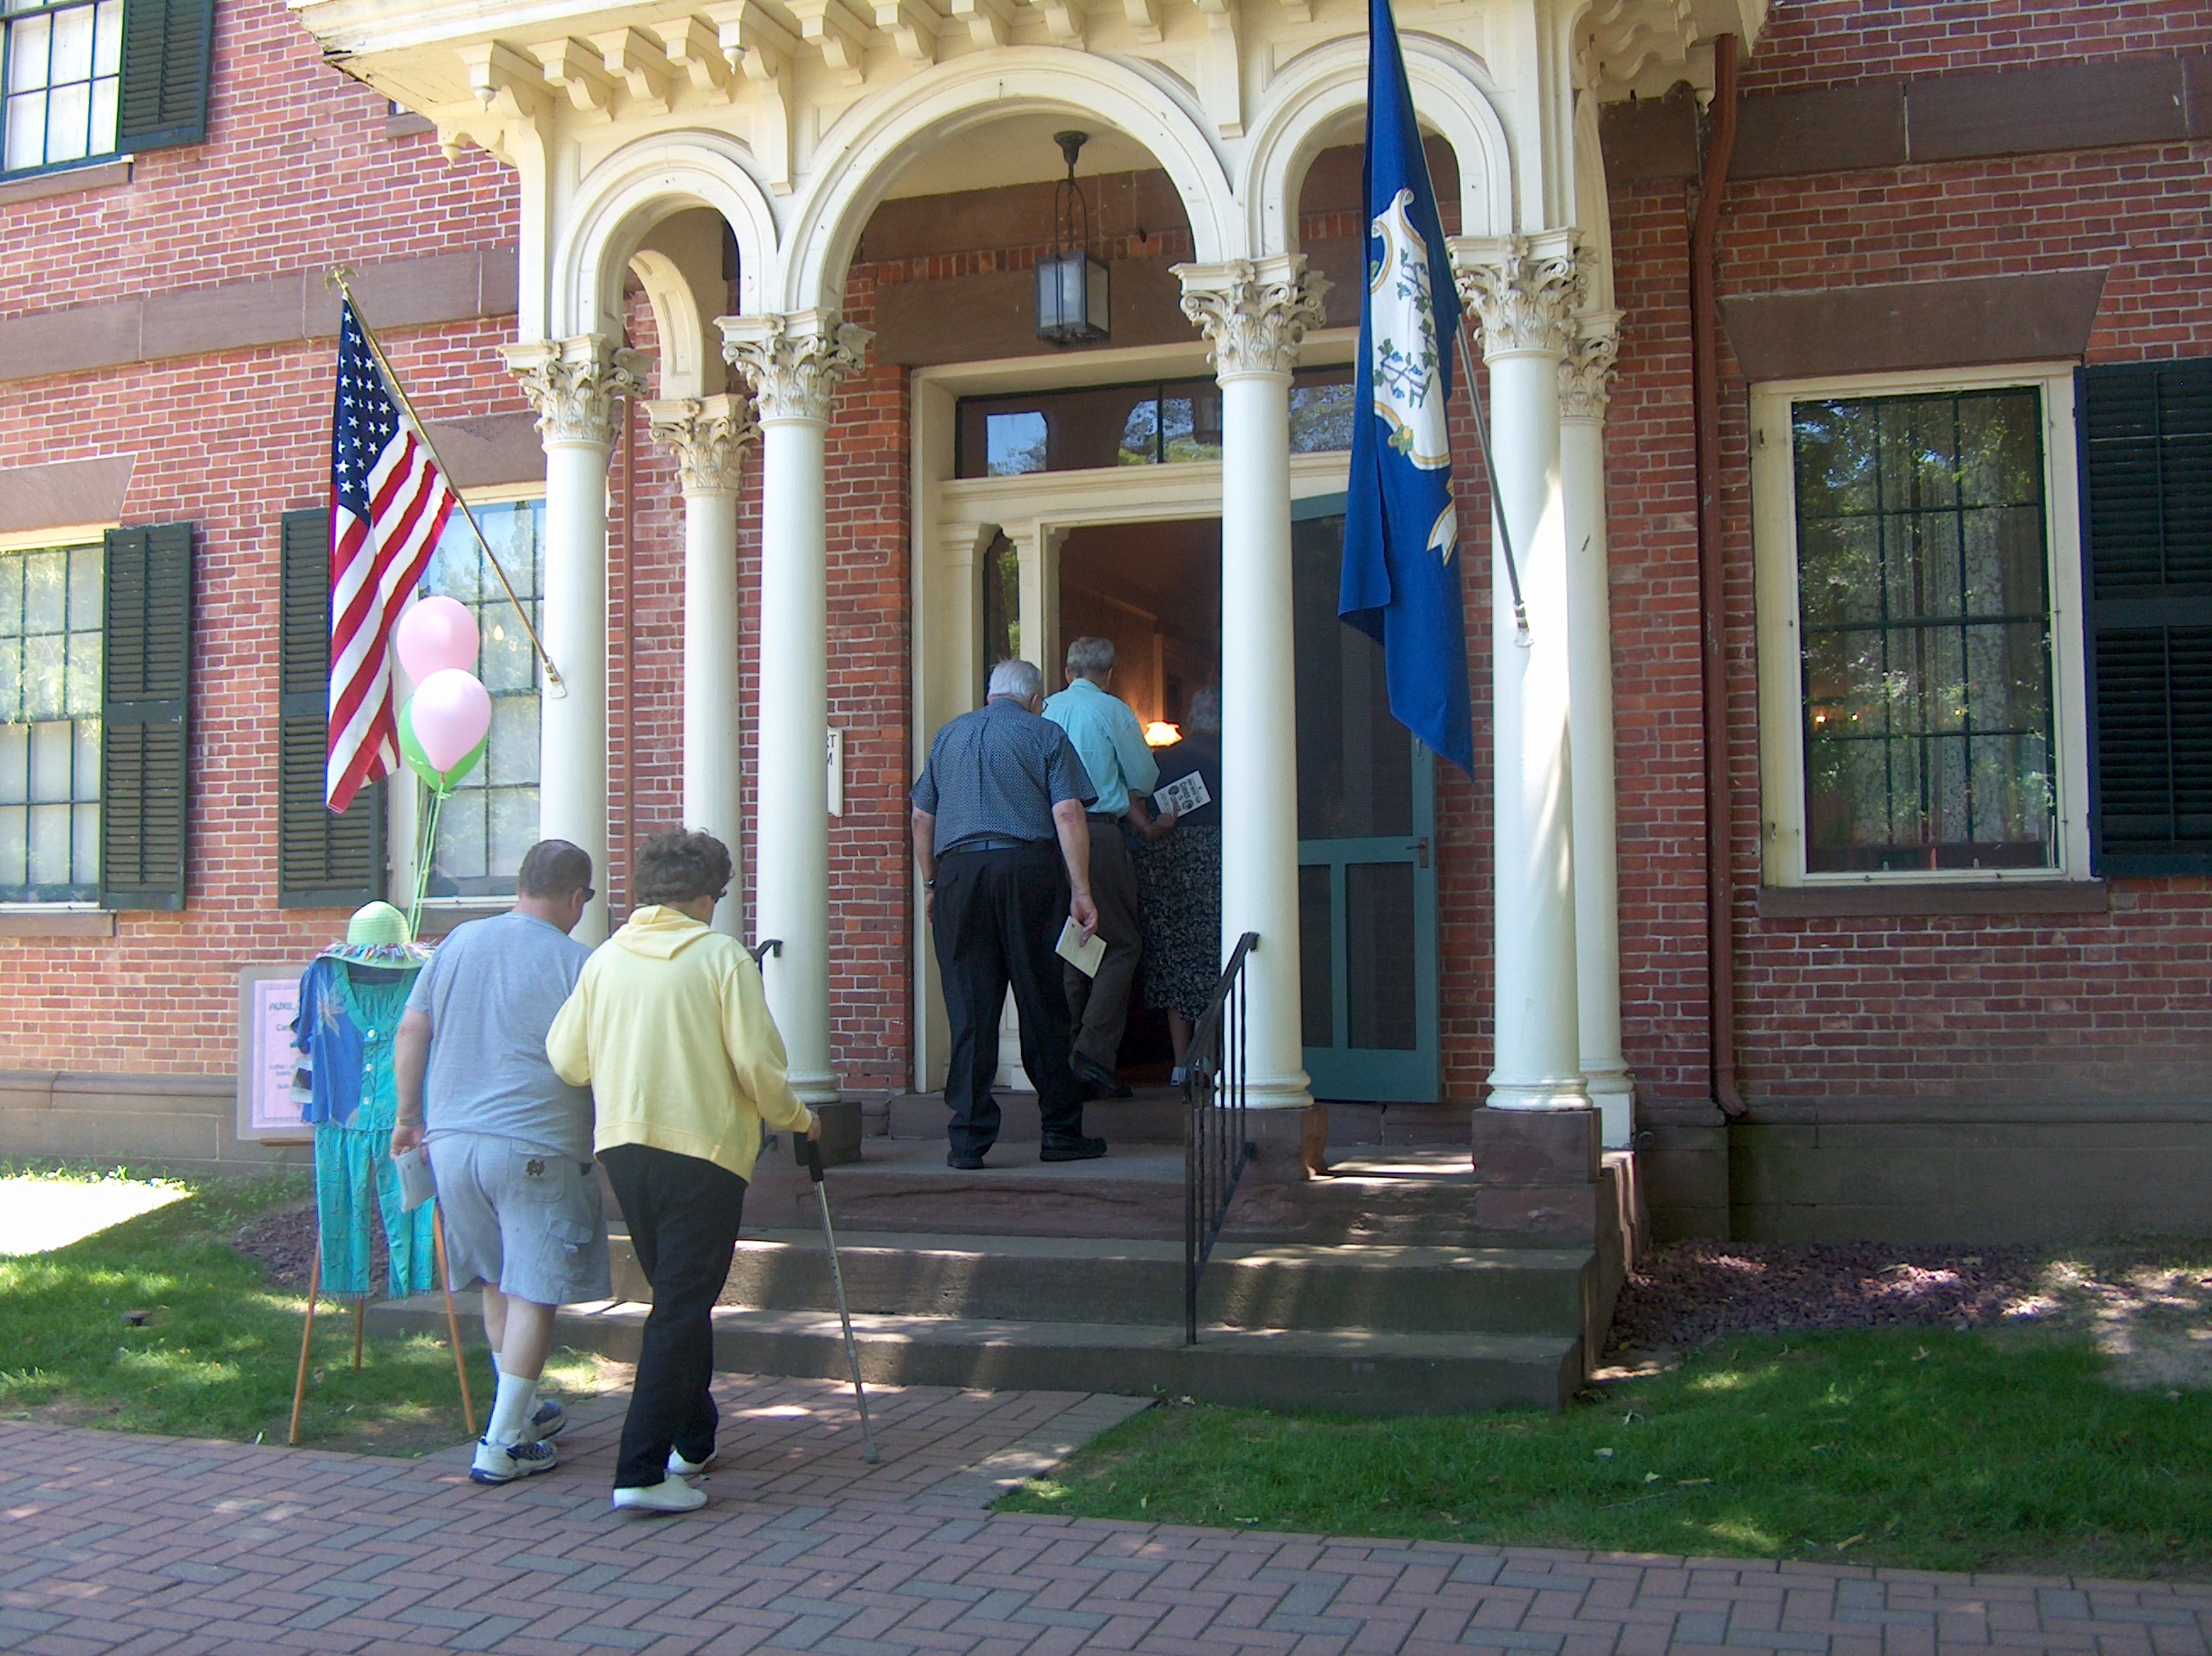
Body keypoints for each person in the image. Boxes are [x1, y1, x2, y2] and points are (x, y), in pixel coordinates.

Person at [546, 830, 820, 1516]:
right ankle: (639, 1469)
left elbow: (567, 1060)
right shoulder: (723, 959)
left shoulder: (605, 960)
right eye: (718, 896)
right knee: (679, 1305)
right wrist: (799, 1119)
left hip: (624, 1145)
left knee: (678, 1296)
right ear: (705, 895)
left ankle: (694, 1440)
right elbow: (759, 1067)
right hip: (703, 1155)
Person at [392, 842, 603, 1487]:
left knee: (495, 1279)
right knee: (536, 1285)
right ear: (575, 898)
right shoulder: (579, 964)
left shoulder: (455, 945)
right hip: (535, 1144)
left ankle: (521, 1411)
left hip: (452, 1143)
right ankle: (503, 1440)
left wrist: (408, 1117)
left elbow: (412, 1030)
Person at [911, 657, 1103, 1169]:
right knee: (1043, 1003)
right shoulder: (1045, 735)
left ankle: (967, 1142)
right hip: (1028, 872)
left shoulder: (947, 737)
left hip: (958, 875)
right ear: (1036, 698)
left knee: (970, 1011)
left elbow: (920, 816)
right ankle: (1060, 1132)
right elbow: (1067, 811)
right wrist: (1081, 890)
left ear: (992, 694)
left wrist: (932, 882)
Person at [1042, 636, 1168, 1099]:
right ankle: (1091, 1055)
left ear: (1067, 670)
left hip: (1049, 838)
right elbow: (1143, 778)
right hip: (1097, 834)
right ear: (1109, 673)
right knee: (1121, 944)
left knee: (1074, 942)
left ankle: (1067, 1048)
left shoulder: (1047, 711)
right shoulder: (1112, 711)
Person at [1129, 687, 1225, 1083]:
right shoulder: (1233, 757)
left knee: (1173, 962)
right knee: (1215, 960)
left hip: (1165, 866)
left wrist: (1153, 830)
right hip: (1213, 865)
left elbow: (1134, 802)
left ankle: (1180, 1061)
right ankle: (1213, 1058)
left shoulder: (1161, 760)